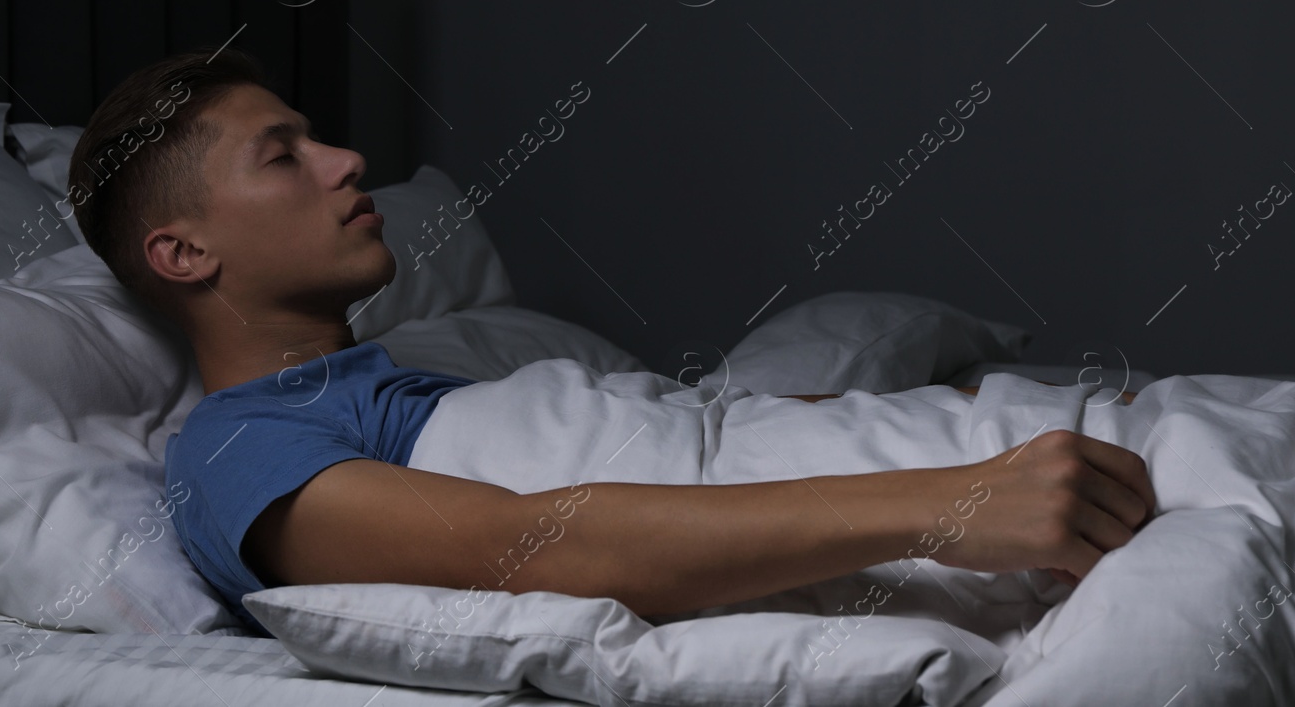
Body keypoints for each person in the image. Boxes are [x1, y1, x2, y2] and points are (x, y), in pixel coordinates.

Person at [67, 46, 1155, 635]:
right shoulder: (232, 446)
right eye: (282, 155)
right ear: (181, 253)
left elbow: (669, 432)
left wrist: (905, 423)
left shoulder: (420, 382)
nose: (348, 159)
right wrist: (944, 500)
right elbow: (535, 549)